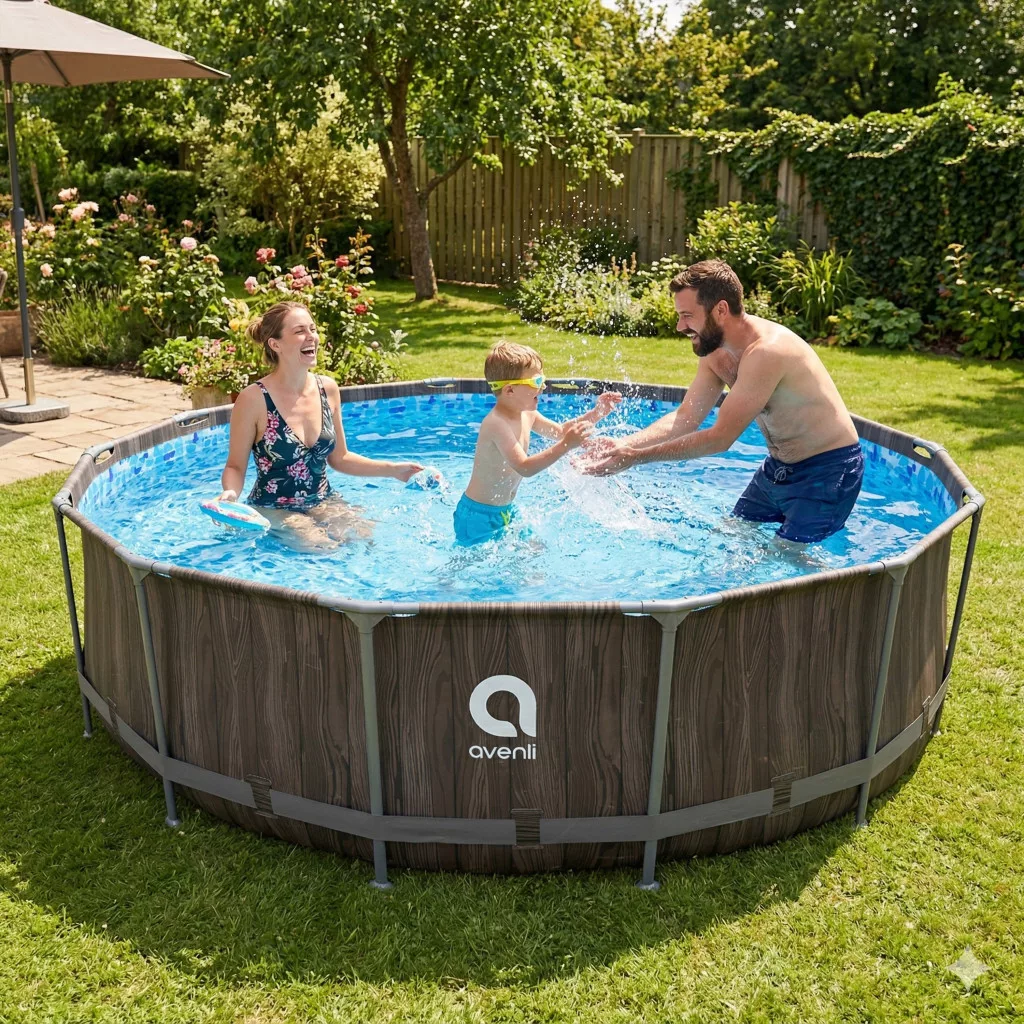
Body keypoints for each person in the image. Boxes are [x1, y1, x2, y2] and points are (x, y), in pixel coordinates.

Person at [582, 260, 863, 545]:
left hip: (828, 472)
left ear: (720, 310)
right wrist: (624, 445)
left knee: (788, 557)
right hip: (778, 469)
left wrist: (635, 457)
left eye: (687, 316)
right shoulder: (714, 352)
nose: (680, 326)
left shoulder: (768, 351)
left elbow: (720, 439)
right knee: (730, 538)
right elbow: (686, 417)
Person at [218, 301, 422, 550]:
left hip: (323, 499)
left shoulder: (327, 389)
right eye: (299, 331)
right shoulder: (253, 399)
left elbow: (341, 458)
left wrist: (394, 470)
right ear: (275, 344)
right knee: (321, 547)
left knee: (366, 539)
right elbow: (235, 466)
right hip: (274, 506)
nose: (311, 337)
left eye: (312, 329)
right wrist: (230, 494)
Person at [454, 341, 621, 546]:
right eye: (536, 381)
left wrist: (597, 413)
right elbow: (525, 467)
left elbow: (561, 432)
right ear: (510, 390)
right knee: (470, 561)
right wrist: (566, 445)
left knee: (536, 548)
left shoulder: (527, 413)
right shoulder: (496, 424)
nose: (543, 386)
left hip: (506, 510)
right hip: (477, 516)